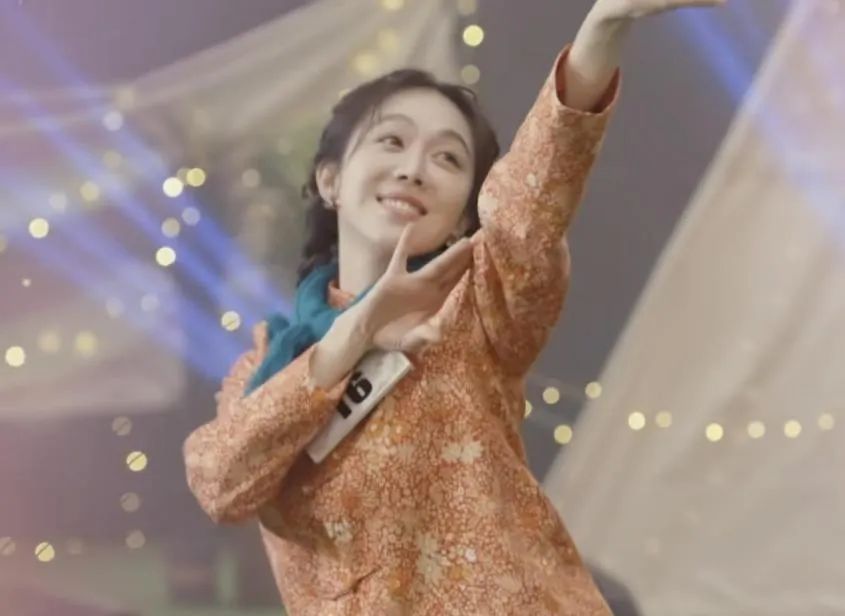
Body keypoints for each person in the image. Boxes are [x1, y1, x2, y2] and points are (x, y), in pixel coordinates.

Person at [183, 0, 725, 613]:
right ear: (331, 180)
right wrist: (355, 332)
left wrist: (602, 26)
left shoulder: (475, 305)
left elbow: (530, 199)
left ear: (464, 217)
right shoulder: (268, 366)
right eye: (391, 141)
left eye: (447, 158)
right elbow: (220, 484)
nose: (414, 169)